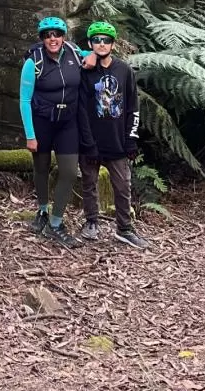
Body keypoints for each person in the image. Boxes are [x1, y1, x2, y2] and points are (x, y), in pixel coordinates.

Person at [77, 21, 150, 249]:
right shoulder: (84, 70)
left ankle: (124, 228)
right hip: (91, 141)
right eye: (96, 40)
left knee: (122, 185)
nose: (101, 44)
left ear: (113, 44)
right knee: (89, 183)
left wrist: (131, 139)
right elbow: (81, 110)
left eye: (106, 40)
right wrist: (88, 143)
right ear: (90, 44)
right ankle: (91, 222)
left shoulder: (124, 70)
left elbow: (132, 106)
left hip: (118, 141)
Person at [19, 16, 87, 249]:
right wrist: (30, 135)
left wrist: (99, 55)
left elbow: (94, 55)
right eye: (48, 35)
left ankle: (56, 223)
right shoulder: (34, 62)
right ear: (42, 39)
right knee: (41, 167)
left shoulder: (74, 54)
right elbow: (24, 100)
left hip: (68, 122)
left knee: (68, 171)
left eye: (57, 34)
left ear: (63, 36)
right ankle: (42, 211)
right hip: (42, 121)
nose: (53, 39)